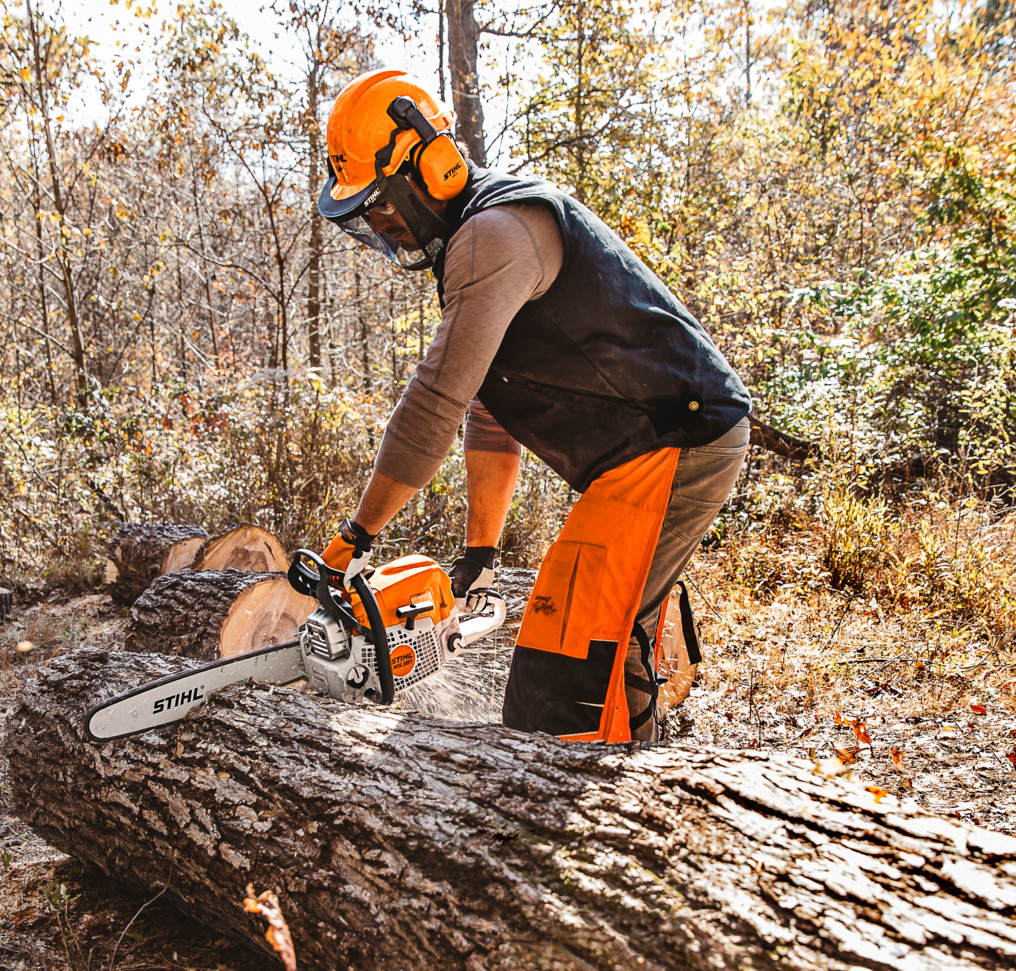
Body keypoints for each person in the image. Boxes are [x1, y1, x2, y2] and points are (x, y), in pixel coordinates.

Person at [302, 68, 751, 743]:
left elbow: (435, 402)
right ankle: (641, 716)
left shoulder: (494, 235)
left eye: (381, 204)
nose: (379, 224)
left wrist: (356, 538)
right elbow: (488, 411)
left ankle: (627, 800)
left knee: (564, 681)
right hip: (641, 455)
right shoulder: (474, 246)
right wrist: (481, 551)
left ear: (434, 166)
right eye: (363, 214)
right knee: (575, 647)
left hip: (674, 441)